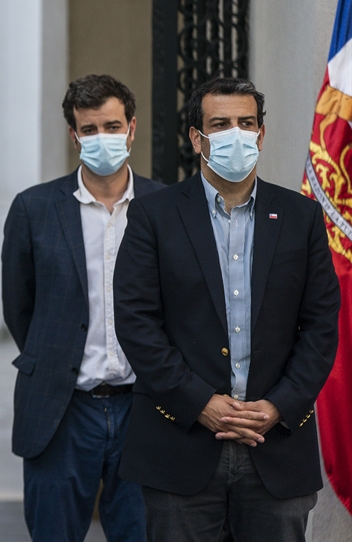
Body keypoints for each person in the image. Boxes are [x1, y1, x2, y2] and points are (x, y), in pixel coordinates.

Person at [114, 77, 340, 541]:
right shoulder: (153, 215)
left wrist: (279, 405)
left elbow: (320, 326)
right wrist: (200, 403)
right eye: (220, 124)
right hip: (180, 443)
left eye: (246, 123)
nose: (236, 133)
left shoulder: (301, 217)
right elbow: (136, 322)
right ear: (197, 138)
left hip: (277, 445)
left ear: (260, 134)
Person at [2, 74, 161, 541]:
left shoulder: (166, 204)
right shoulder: (34, 208)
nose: (101, 138)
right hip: (61, 408)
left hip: (145, 407)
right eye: (89, 129)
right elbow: (20, 307)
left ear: (131, 129)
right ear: (74, 136)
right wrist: (54, 359)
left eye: (111, 127)